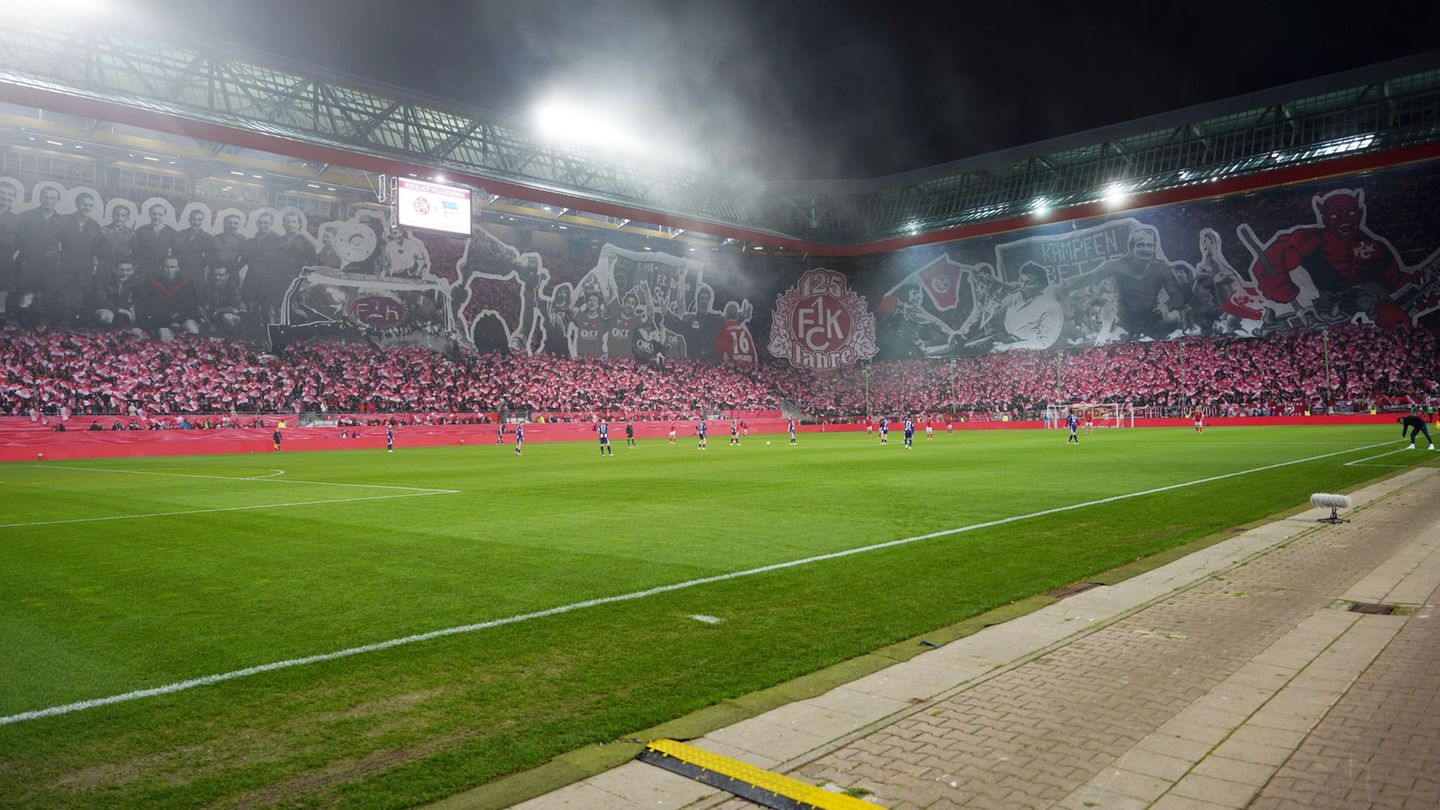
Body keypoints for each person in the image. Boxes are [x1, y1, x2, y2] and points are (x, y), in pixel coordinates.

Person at [1061, 226, 1189, 341]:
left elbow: (1177, 295)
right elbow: (1092, 277)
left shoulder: (1161, 268)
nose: (1146, 249)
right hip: (1126, 322)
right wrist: (1066, 285)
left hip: (1152, 319)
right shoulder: (1118, 265)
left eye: (1150, 245)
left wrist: (1166, 306)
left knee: (1174, 318)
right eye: (1140, 245)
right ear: (1131, 249)